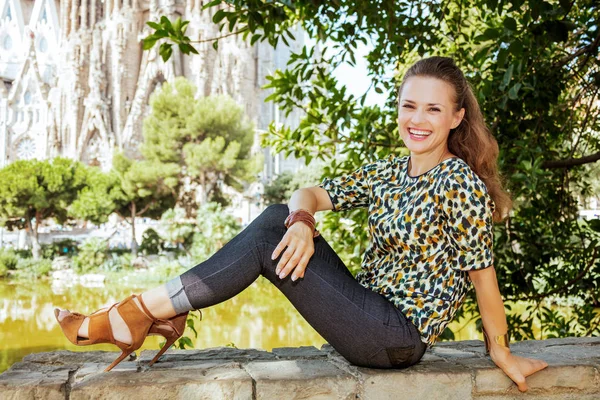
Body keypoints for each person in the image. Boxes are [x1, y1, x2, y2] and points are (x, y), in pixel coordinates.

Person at [55, 56, 548, 391]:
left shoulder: (457, 182)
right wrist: (302, 220)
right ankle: (142, 314)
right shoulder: (391, 172)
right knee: (280, 219)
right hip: (368, 312)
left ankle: (135, 315)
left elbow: (484, 279)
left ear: (457, 117)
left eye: (433, 109)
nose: (417, 119)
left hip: (397, 337)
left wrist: (500, 352)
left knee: (272, 228)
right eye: (408, 106)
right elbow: (310, 193)